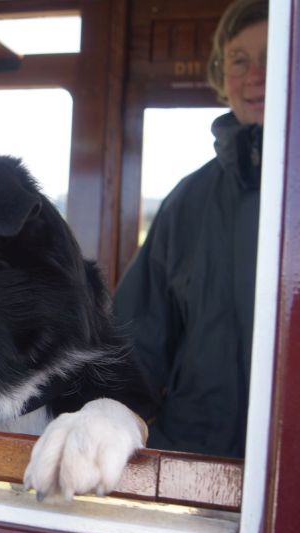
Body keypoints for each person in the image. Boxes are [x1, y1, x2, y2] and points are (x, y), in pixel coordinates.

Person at [113, 0, 267, 457]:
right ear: (222, 76)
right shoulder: (187, 201)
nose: (255, 74)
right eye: (239, 60)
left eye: (272, 59)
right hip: (196, 462)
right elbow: (132, 346)